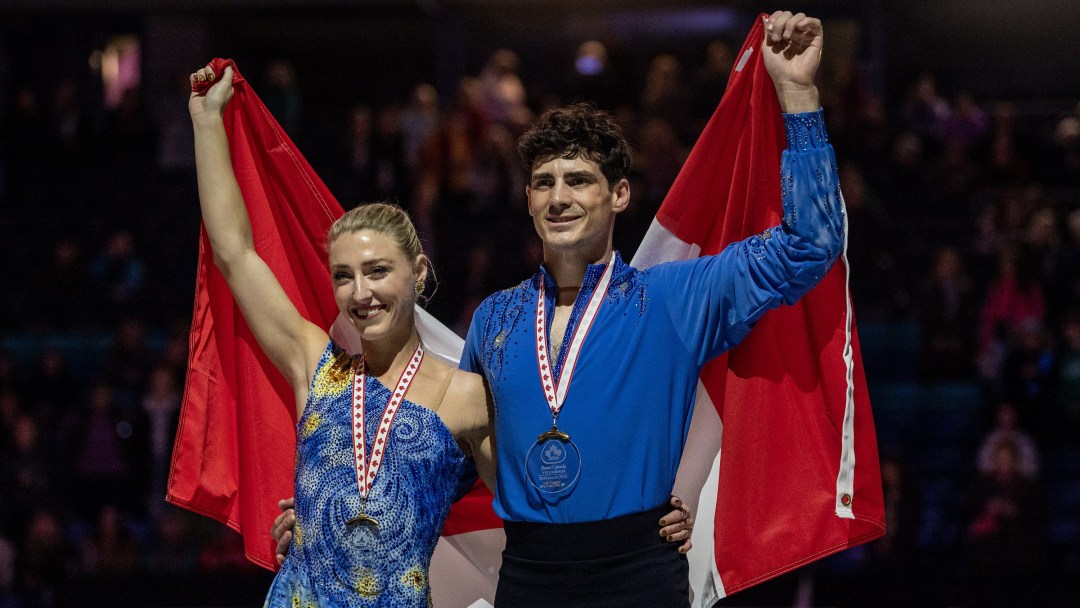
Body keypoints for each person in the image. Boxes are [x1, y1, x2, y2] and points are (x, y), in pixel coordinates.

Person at [275, 10, 838, 606]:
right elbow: (446, 455)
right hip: (529, 576)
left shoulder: (674, 297)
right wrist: (330, 516)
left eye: (579, 180)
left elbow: (811, 245)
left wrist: (798, 93)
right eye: (544, 182)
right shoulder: (495, 319)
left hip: (638, 570)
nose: (559, 197)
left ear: (619, 194)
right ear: (527, 199)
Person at [189, 63, 494, 607]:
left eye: (377, 271)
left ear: (419, 272)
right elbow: (235, 255)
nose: (360, 293)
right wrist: (206, 122)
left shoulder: (465, 395)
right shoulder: (315, 362)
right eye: (344, 276)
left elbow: (538, 514)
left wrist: (658, 515)